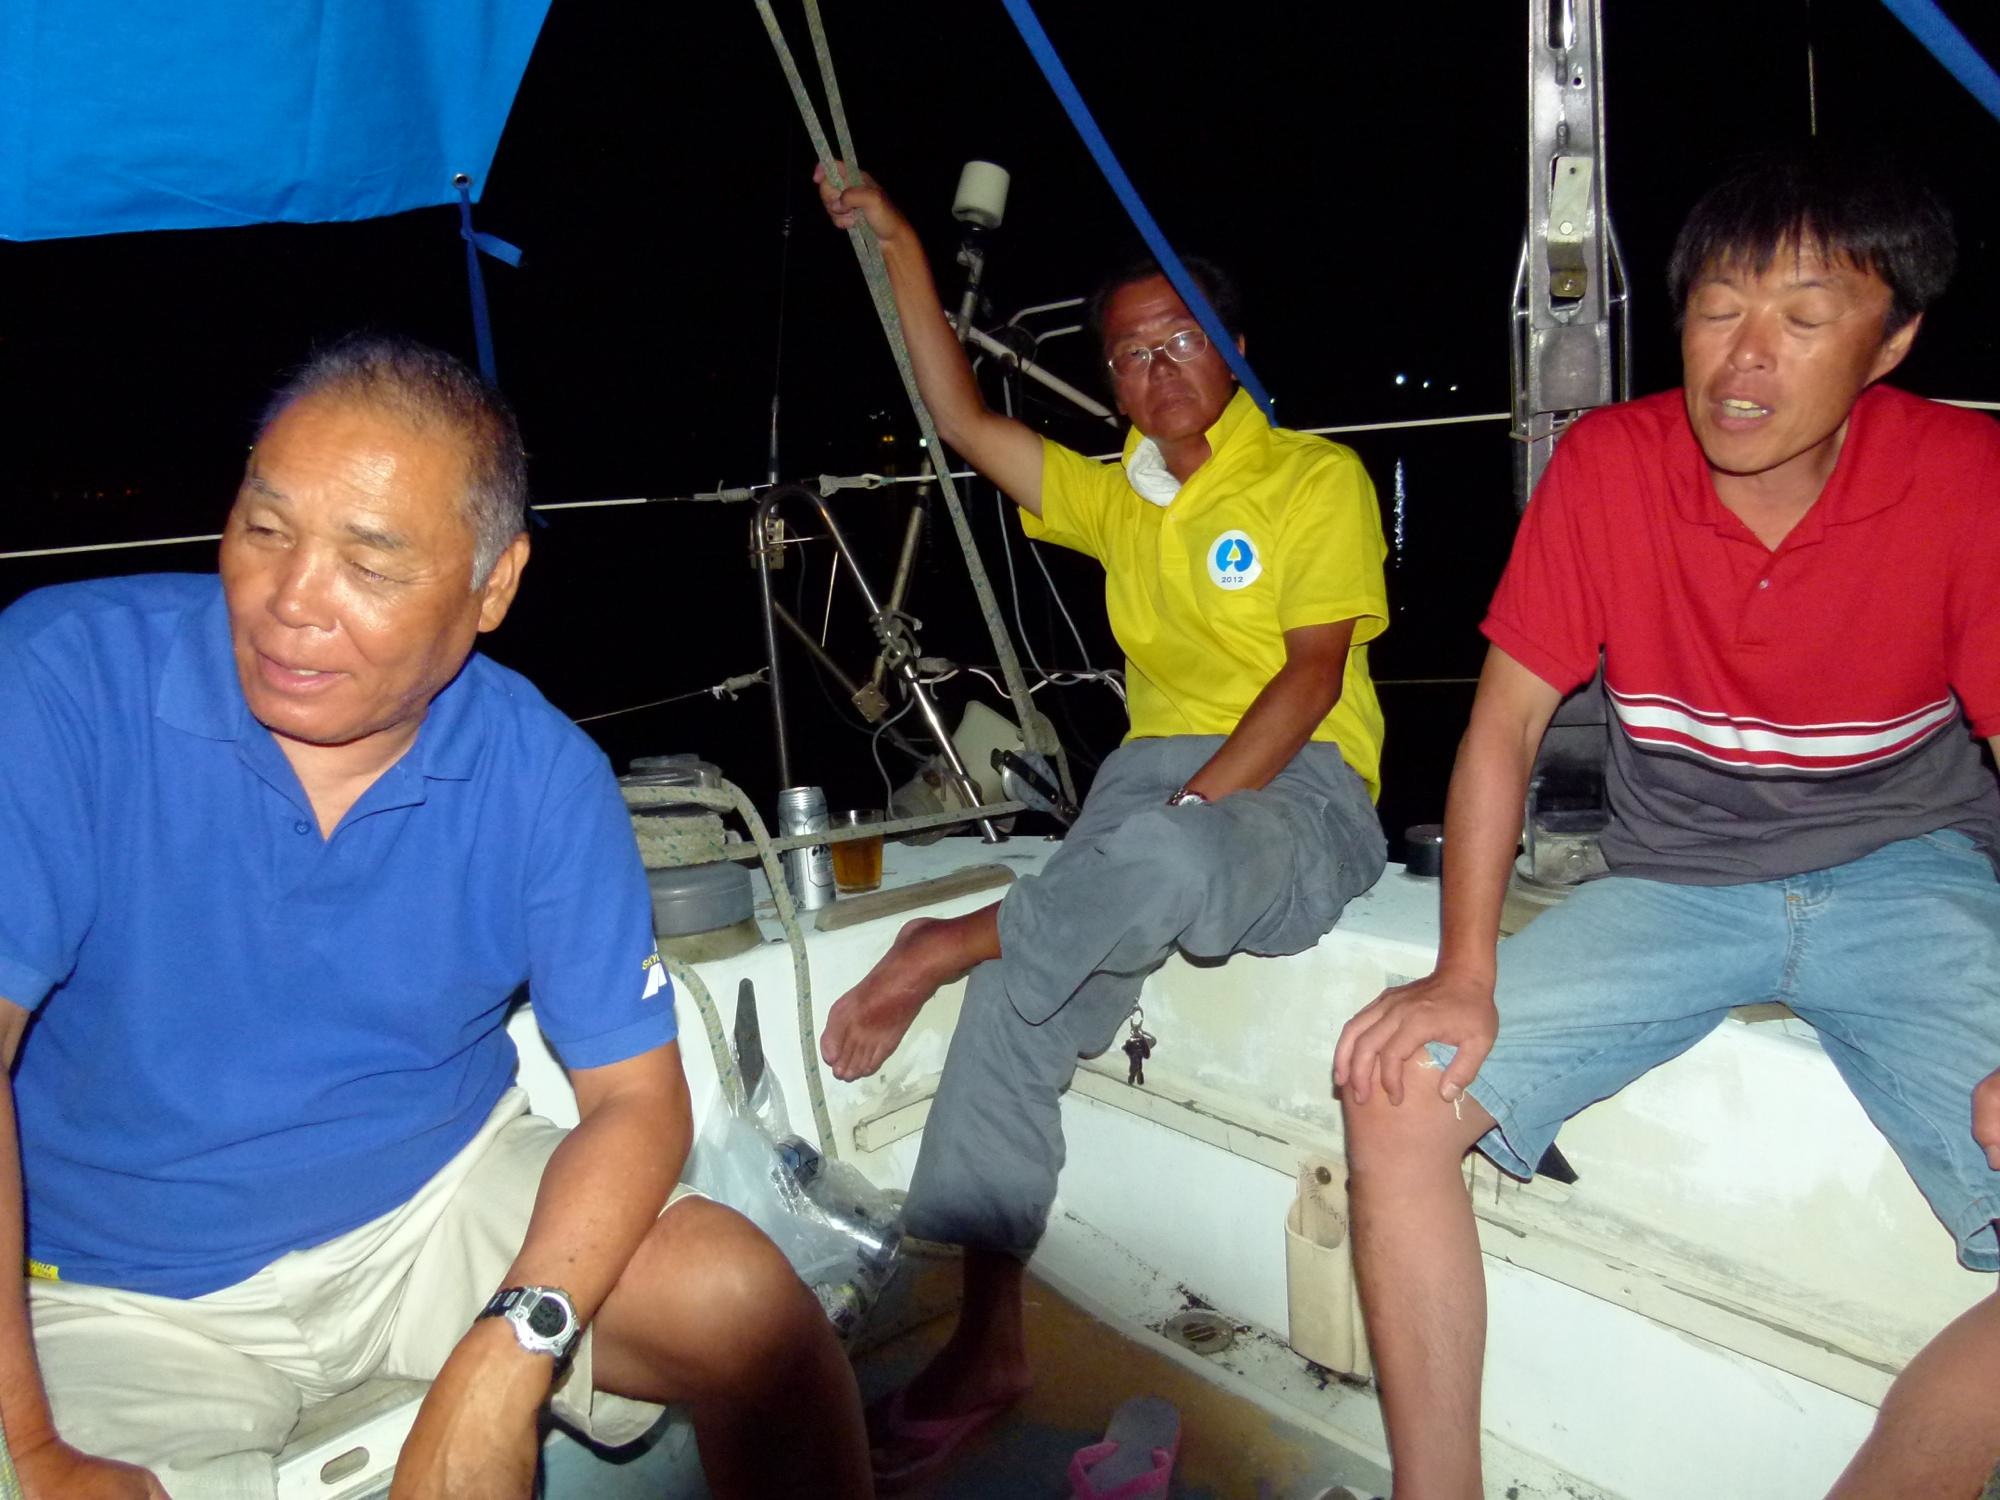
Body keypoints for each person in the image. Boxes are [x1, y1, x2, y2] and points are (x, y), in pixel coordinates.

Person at [0, 335, 874, 1500]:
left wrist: (510, 1353)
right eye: (265, 529)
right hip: (117, 1292)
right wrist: (35, 1446)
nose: (290, 602)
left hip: (430, 1207)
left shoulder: (542, 775)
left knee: (748, 1308)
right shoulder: (58, 683)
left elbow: (634, 1100)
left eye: (369, 562)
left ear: (492, 585)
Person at [1335, 146, 2000, 1499]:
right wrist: (1463, 969)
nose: (1743, 360)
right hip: (1676, 879)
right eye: (1716, 310)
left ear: (1890, 343)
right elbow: (1501, 729)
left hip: (1910, 872)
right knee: (1396, 1093)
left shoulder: (1966, 471)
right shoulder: (1609, 464)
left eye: (1803, 319)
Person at [815, 164, 1390, 1483]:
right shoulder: (1119, 493)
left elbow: (1310, 678)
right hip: (1146, 795)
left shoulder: (1313, 479)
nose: (1153, 367)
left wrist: (1186, 805)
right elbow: (959, 415)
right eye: (1127, 353)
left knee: (1141, 867)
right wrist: (897, 237)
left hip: (1297, 786)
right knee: (1021, 998)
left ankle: (951, 938)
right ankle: (988, 1341)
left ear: (1231, 345)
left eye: (1178, 338)